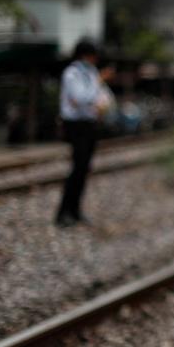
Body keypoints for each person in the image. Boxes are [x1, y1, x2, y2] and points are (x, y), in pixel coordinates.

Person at [55, 40, 111, 227]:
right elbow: (81, 98)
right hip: (75, 124)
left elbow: (100, 98)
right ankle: (63, 213)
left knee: (84, 168)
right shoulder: (72, 74)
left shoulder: (91, 73)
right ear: (85, 55)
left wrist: (100, 101)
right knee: (77, 167)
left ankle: (75, 210)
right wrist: (98, 83)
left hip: (89, 123)